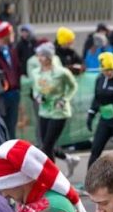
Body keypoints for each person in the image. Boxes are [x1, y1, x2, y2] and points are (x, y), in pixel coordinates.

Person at [29, 43, 80, 176]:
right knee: (46, 145)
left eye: (41, 55)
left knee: (47, 146)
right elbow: (35, 88)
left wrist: (64, 99)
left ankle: (53, 177)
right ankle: (66, 163)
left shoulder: (61, 72)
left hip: (59, 112)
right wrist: (37, 96)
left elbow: (73, 86)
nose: (39, 58)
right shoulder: (36, 72)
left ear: (48, 57)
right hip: (44, 110)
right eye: (38, 55)